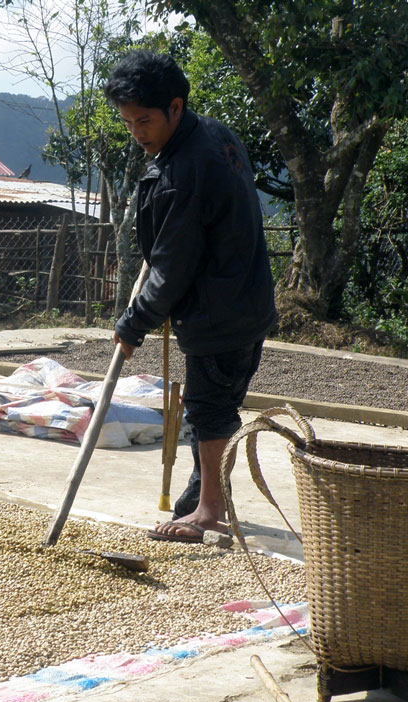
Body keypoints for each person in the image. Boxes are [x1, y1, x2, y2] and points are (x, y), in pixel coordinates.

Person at [103, 50, 277, 543]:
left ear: (175, 108)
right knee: (213, 404)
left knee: (209, 408)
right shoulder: (215, 134)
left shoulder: (187, 168)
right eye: (129, 122)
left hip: (219, 309)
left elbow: (173, 265)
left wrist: (133, 323)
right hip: (243, 300)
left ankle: (211, 513)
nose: (137, 132)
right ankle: (200, 498)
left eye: (145, 120)